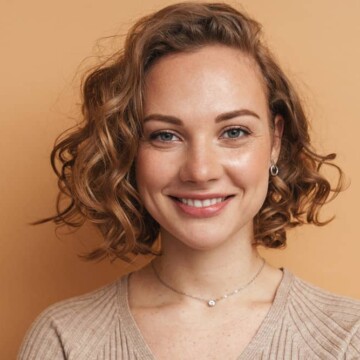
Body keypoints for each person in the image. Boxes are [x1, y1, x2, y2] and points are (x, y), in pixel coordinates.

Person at [18, 2, 360, 359]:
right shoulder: (66, 339)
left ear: (274, 142)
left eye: (234, 131)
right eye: (165, 135)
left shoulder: (348, 339)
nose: (200, 171)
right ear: (130, 149)